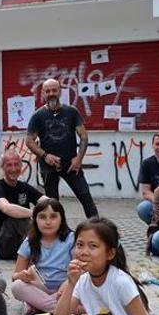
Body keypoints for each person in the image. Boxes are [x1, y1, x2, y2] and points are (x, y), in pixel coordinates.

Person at [26, 78, 98, 218]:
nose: (51, 93)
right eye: (48, 91)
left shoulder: (71, 112)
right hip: (48, 166)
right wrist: (45, 156)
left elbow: (83, 136)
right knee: (53, 204)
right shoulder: (37, 116)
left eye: (54, 90)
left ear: (60, 91)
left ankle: (98, 230)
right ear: (43, 93)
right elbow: (29, 141)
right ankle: (59, 233)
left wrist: (78, 159)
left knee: (86, 197)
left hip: (71, 164)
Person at [10, 198, 75, 315]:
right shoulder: (29, 242)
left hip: (65, 287)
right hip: (39, 288)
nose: (48, 222)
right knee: (17, 286)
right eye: (42, 217)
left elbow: (80, 269)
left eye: (53, 216)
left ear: (62, 219)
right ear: (35, 220)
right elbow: (15, 276)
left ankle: (37, 306)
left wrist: (68, 283)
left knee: (80, 285)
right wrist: (22, 275)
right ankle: (65, 309)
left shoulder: (71, 239)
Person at [0, 151, 49, 260]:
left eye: (16, 164)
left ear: (21, 166)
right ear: (2, 167)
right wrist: (36, 213)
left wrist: (53, 208)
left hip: (21, 242)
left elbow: (44, 200)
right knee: (18, 219)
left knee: (50, 211)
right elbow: (7, 208)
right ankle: (43, 251)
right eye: (9, 165)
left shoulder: (24, 187)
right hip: (3, 246)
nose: (13, 169)